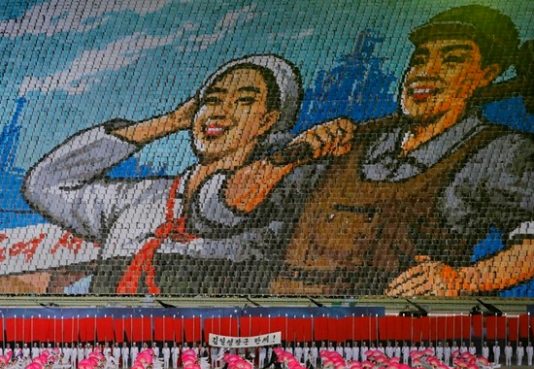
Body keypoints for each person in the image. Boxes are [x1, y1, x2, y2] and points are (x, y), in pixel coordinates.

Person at [209, 4, 534, 297]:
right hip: (288, 314)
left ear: (487, 75)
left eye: (451, 60)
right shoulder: (350, 143)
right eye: (419, 60)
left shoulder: (499, 151)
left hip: (383, 325)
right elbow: (230, 208)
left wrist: (463, 280)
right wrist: (293, 155)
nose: (425, 72)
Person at [24, 54, 307, 296]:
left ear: (268, 120)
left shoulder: (266, 204)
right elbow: (43, 185)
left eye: (243, 101)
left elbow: (219, 203)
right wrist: (169, 122)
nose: (220, 111)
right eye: (212, 100)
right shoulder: (139, 198)